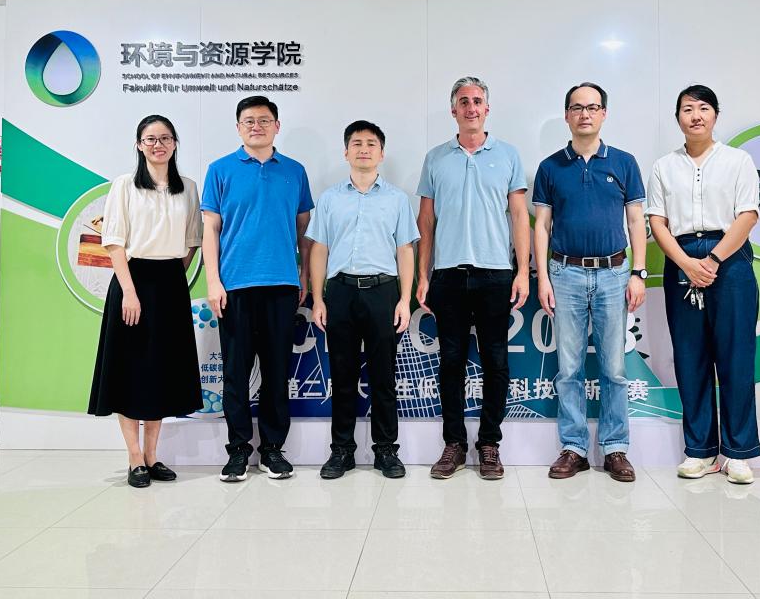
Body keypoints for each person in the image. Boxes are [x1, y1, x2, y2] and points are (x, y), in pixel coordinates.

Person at [416, 76, 531, 480]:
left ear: (487, 109)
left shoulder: (508, 155)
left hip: (495, 273)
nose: (470, 107)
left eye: (477, 101)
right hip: (447, 275)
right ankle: (454, 443)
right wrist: (423, 275)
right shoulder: (436, 158)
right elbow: (426, 221)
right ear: (453, 110)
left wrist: (522, 271)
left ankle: (489, 444)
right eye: (463, 101)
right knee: (451, 362)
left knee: (496, 361)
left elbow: (519, 216)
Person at [646, 85, 760, 485]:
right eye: (687, 109)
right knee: (690, 358)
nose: (696, 115)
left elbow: (748, 216)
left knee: (736, 357)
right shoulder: (664, 166)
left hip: (730, 259)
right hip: (681, 259)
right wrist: (685, 263)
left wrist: (712, 261)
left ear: (715, 115)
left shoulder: (738, 161)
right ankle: (699, 450)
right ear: (677, 117)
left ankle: (738, 452)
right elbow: (657, 221)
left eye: (703, 108)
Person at [533, 83, 647, 482]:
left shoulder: (624, 162)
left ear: (603, 114)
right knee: (569, 368)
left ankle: (615, 448)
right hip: (565, 273)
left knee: (614, 368)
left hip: (615, 273)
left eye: (593, 107)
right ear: (567, 115)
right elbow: (542, 226)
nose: (585, 114)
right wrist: (543, 277)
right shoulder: (550, 167)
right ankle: (574, 447)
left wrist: (638, 273)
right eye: (577, 107)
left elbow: (636, 220)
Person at [201, 96, 314, 482]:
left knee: (276, 372)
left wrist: (304, 276)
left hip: (282, 285)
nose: (256, 126)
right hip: (234, 287)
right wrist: (213, 281)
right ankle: (237, 450)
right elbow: (210, 229)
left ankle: (272, 450)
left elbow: (304, 229)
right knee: (235, 373)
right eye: (248, 120)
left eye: (264, 120)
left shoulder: (295, 172)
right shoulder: (220, 170)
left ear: (276, 126)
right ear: (238, 127)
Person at [88, 115, 203, 489]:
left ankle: (153, 457)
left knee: (161, 371)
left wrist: (172, 279)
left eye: (165, 138)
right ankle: (134, 458)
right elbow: (113, 242)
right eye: (150, 139)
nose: (158, 145)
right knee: (131, 371)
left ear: (175, 143)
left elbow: (192, 242)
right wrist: (130, 291)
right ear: (139, 145)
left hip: (170, 283)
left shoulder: (187, 188)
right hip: (131, 280)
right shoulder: (124, 185)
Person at [306, 120, 419, 479]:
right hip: (340, 292)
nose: (364, 149)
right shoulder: (329, 199)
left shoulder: (397, 199)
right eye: (357, 143)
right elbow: (319, 249)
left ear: (381, 153)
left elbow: (405, 250)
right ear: (346, 152)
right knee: (342, 376)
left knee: (384, 376)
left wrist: (404, 300)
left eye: (371, 144)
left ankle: (386, 450)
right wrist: (318, 298)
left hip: (383, 292)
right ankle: (342, 451)